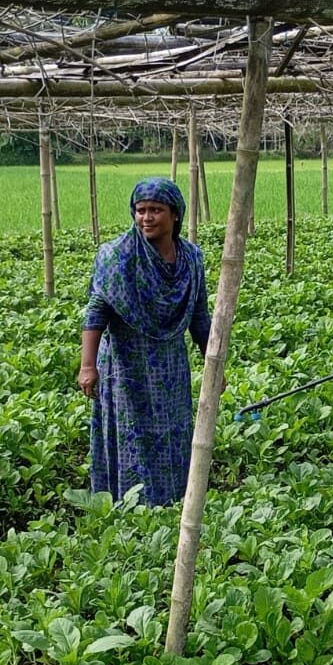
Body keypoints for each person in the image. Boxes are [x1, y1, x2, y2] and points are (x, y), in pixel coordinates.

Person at [79, 177, 213, 506]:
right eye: (140, 211)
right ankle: (130, 506)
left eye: (156, 210)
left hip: (170, 366)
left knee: (172, 434)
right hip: (126, 365)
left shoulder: (191, 259)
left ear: (175, 215)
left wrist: (214, 366)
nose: (146, 218)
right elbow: (97, 311)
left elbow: (199, 316)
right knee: (131, 435)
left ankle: (171, 501)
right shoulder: (117, 257)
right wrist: (88, 366)